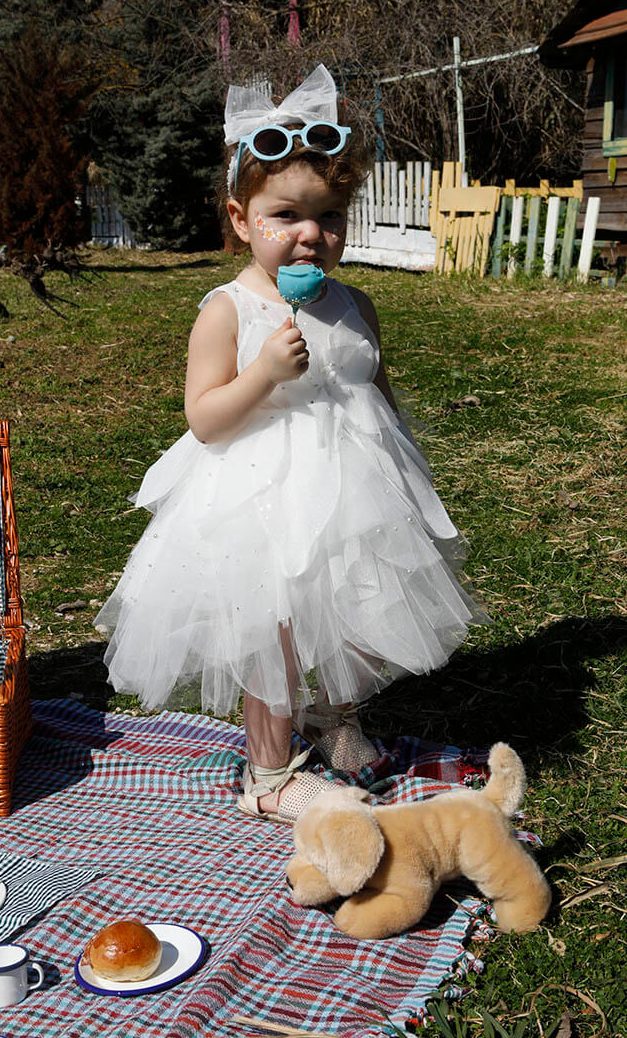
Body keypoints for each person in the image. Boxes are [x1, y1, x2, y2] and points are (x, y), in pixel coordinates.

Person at [96, 64, 487, 824]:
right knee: (270, 627)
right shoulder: (227, 310)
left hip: (355, 487)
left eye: (330, 216)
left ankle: (332, 717)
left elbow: (375, 387)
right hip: (259, 493)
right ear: (241, 219)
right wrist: (264, 374)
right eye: (286, 215)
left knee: (355, 610)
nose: (312, 234)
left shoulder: (356, 303)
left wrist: (404, 472)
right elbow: (205, 417)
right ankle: (270, 773)